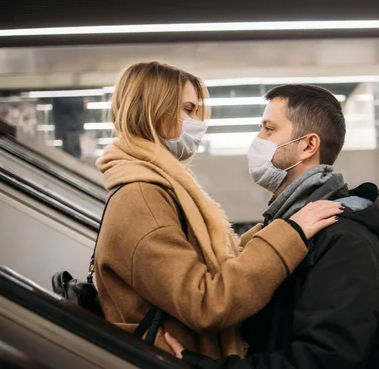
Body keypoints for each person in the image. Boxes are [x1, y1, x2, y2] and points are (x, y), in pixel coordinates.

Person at [166, 85, 379, 368]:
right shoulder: (294, 228)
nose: (257, 140)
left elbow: (324, 361)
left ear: (309, 145)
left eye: (268, 129)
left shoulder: (344, 239)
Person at [93, 63, 343, 358]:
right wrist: (288, 235)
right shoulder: (141, 198)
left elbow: (217, 265)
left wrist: (279, 224)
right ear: (154, 110)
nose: (197, 122)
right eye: (187, 110)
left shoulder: (159, 187)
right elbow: (206, 304)